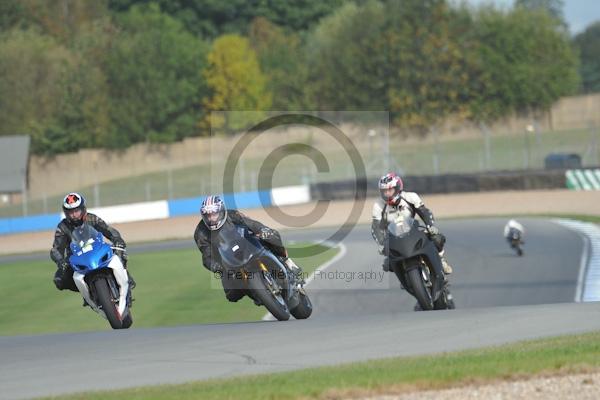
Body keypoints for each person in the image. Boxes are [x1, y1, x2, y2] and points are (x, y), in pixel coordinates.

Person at [194, 195, 302, 304]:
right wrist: (215, 266)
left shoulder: (232, 215)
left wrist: (262, 230)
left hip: (248, 244)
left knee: (271, 237)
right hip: (227, 261)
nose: (211, 219)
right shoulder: (200, 232)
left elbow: (251, 223)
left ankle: (288, 262)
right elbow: (206, 256)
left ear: (221, 211)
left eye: (214, 214)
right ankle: (257, 294)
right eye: (207, 216)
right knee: (231, 295)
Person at [50, 192, 134, 295]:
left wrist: (117, 240)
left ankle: (126, 278)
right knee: (59, 279)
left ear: (83, 209)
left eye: (77, 210)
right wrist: (60, 261)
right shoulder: (62, 227)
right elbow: (56, 249)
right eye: (71, 212)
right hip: (77, 257)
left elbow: (108, 230)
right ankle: (86, 291)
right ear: (66, 213)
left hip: (98, 249)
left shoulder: (91, 218)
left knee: (119, 252)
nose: (74, 215)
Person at [371, 172, 453, 276]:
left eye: (389, 190)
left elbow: (424, 212)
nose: (387, 194)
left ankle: (441, 259)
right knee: (388, 264)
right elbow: (375, 227)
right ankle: (405, 276)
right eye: (384, 191)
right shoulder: (378, 205)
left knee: (437, 238)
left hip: (413, 230)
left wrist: (430, 226)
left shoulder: (410, 197)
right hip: (393, 236)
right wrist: (381, 243)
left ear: (397, 188)